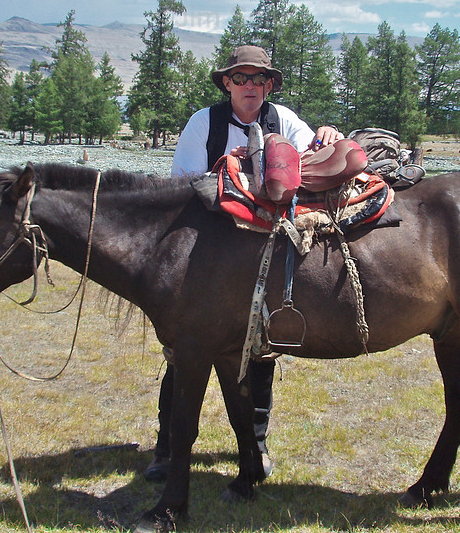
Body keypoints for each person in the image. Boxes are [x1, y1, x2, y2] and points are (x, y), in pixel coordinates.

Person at [145, 45, 345, 482]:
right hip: (208, 259)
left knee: (261, 350)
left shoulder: (285, 121)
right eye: (241, 78)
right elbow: (184, 188)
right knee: (184, 351)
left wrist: (327, 135)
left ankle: (256, 443)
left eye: (259, 79)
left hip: (263, 257)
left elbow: (314, 162)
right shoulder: (204, 123)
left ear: (269, 84)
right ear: (228, 84)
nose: (250, 86)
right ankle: (166, 447)